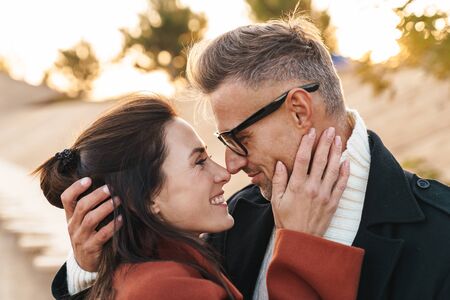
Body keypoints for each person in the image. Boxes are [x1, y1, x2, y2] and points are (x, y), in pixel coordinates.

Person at [52, 14, 450, 300]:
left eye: (240, 138)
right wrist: (87, 269)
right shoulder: (237, 217)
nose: (232, 165)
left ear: (298, 110)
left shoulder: (441, 234)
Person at [35, 95, 363, 299]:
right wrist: (302, 245)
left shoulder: (154, 270)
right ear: (147, 197)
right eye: (198, 161)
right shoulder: (165, 289)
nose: (224, 172)